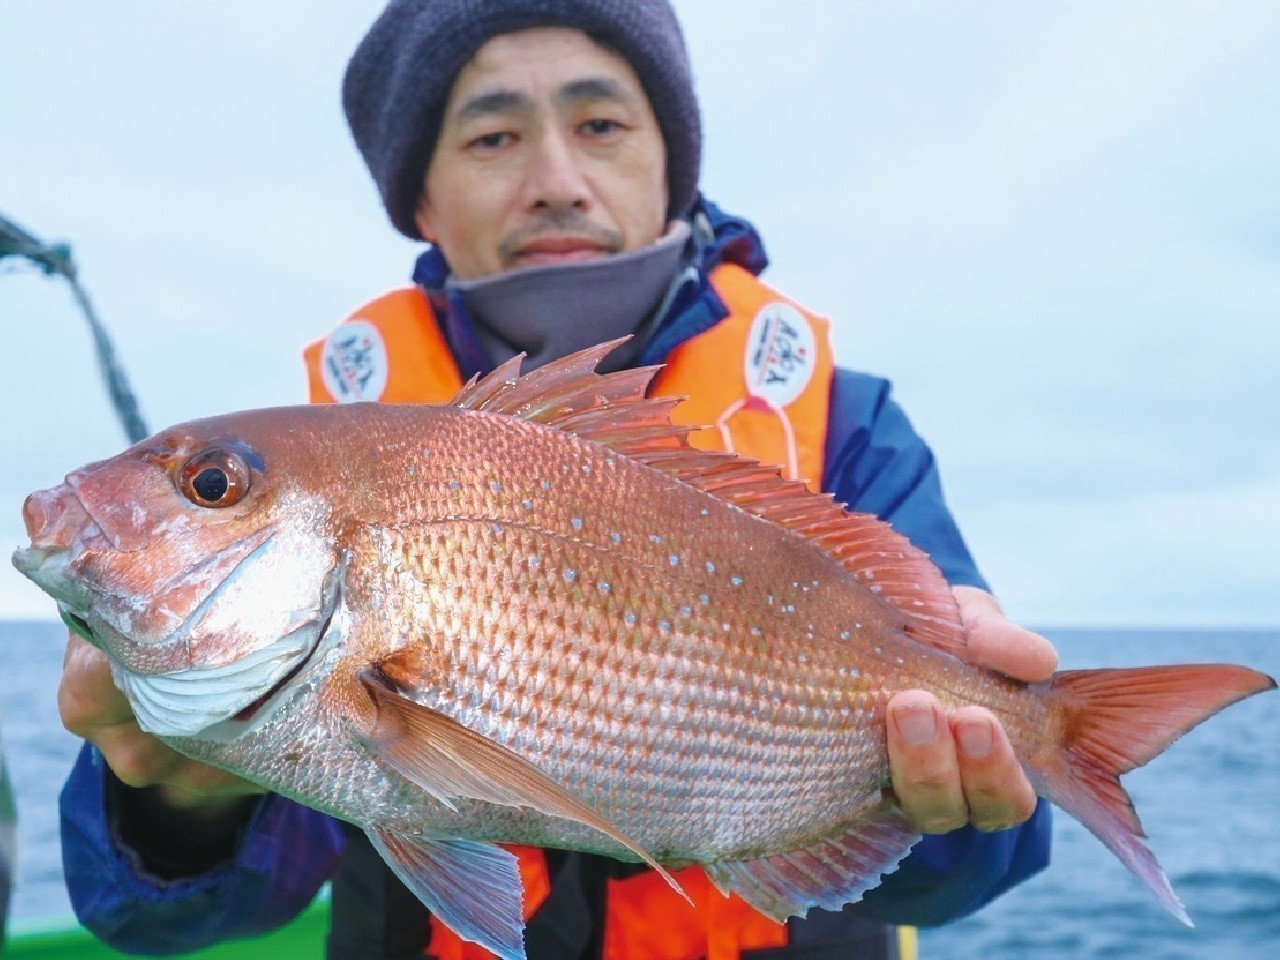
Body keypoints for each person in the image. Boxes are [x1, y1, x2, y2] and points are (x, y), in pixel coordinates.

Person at [57, 2, 1058, 958]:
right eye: (492, 137)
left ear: (671, 163)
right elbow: (159, 923)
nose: (556, 178)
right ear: (420, 198)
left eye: (601, 123)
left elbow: (977, 869)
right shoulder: (326, 449)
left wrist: (978, 779)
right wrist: (170, 806)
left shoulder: (846, 427)